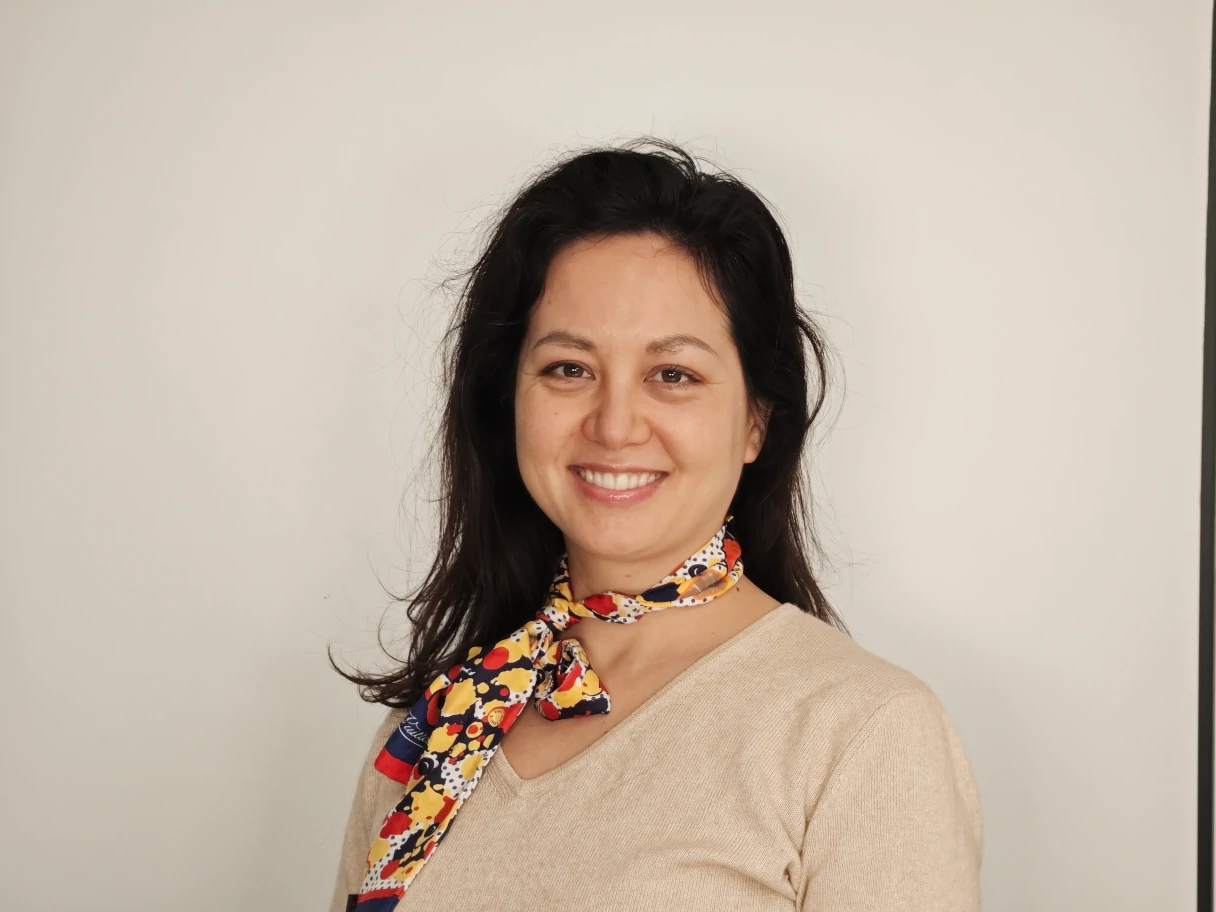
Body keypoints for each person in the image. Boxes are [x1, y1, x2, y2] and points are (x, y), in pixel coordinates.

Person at [329, 137, 982, 911]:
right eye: (568, 368)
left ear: (755, 423)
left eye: (673, 375)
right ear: (509, 401)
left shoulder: (862, 734)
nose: (613, 424)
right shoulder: (443, 722)